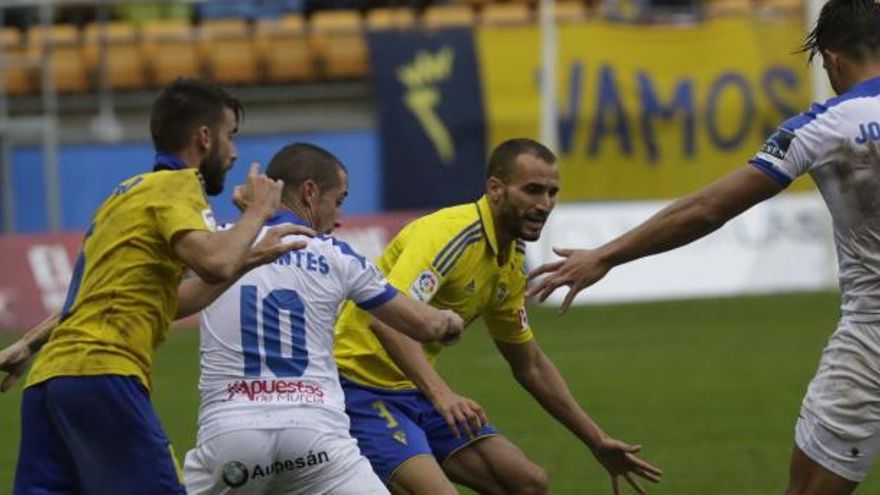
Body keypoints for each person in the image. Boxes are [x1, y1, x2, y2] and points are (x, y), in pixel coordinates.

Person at [527, 1, 880, 494]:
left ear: (833, 59)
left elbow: (709, 209)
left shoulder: (823, 126)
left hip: (871, 340)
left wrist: (604, 256)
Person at [0, 78, 312, 495]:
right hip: (105, 373)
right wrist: (257, 212)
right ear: (204, 138)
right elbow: (216, 262)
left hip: (51, 382)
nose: (235, 153)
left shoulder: (128, 194)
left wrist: (28, 343)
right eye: (230, 136)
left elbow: (161, 299)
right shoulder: (179, 188)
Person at [333, 138, 663, 495]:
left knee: (527, 484)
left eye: (552, 193)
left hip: (413, 391)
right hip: (355, 387)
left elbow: (530, 364)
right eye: (533, 191)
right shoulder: (449, 236)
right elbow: (385, 320)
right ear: (495, 189)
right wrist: (443, 395)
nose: (544, 205)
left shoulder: (512, 260)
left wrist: (596, 440)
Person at [177, 143, 466, 494]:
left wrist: (247, 218)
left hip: (233, 436)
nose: (338, 216)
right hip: (315, 437)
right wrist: (450, 321)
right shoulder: (337, 255)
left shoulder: (215, 246)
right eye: (338, 199)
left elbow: (160, 300)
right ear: (310, 192)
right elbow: (424, 325)